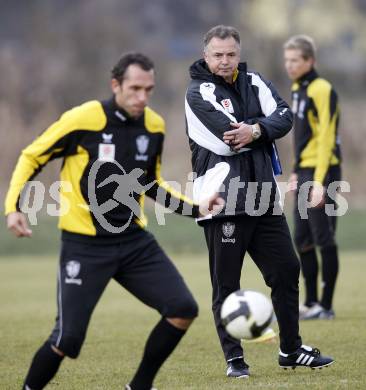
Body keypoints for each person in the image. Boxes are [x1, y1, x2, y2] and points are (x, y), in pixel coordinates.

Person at [5, 52, 223, 390]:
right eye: (135, 88)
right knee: (67, 339)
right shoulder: (84, 119)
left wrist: (197, 208)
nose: (142, 97)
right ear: (115, 85)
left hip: (134, 242)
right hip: (84, 246)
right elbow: (33, 155)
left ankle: (139, 386)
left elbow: (149, 182)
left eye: (149, 90)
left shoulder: (154, 126)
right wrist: (13, 207)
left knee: (182, 308)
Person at [184, 25, 334, 378]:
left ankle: (291, 349)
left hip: (263, 195)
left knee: (286, 270)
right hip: (223, 199)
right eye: (217, 55)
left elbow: (285, 117)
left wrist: (254, 129)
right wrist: (260, 129)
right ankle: (235, 360)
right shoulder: (196, 92)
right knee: (226, 283)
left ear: (239, 53)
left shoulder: (255, 81)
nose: (225, 61)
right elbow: (225, 140)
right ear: (206, 56)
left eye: (231, 54)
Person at [284, 35, 341, 320]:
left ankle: (326, 306)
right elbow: (303, 137)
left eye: (295, 60)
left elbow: (326, 138)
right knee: (302, 237)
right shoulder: (297, 88)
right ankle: (311, 302)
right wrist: (296, 170)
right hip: (305, 170)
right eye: (287, 60)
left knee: (323, 237)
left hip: (324, 171)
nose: (289, 65)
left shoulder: (322, 89)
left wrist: (319, 181)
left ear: (310, 61)